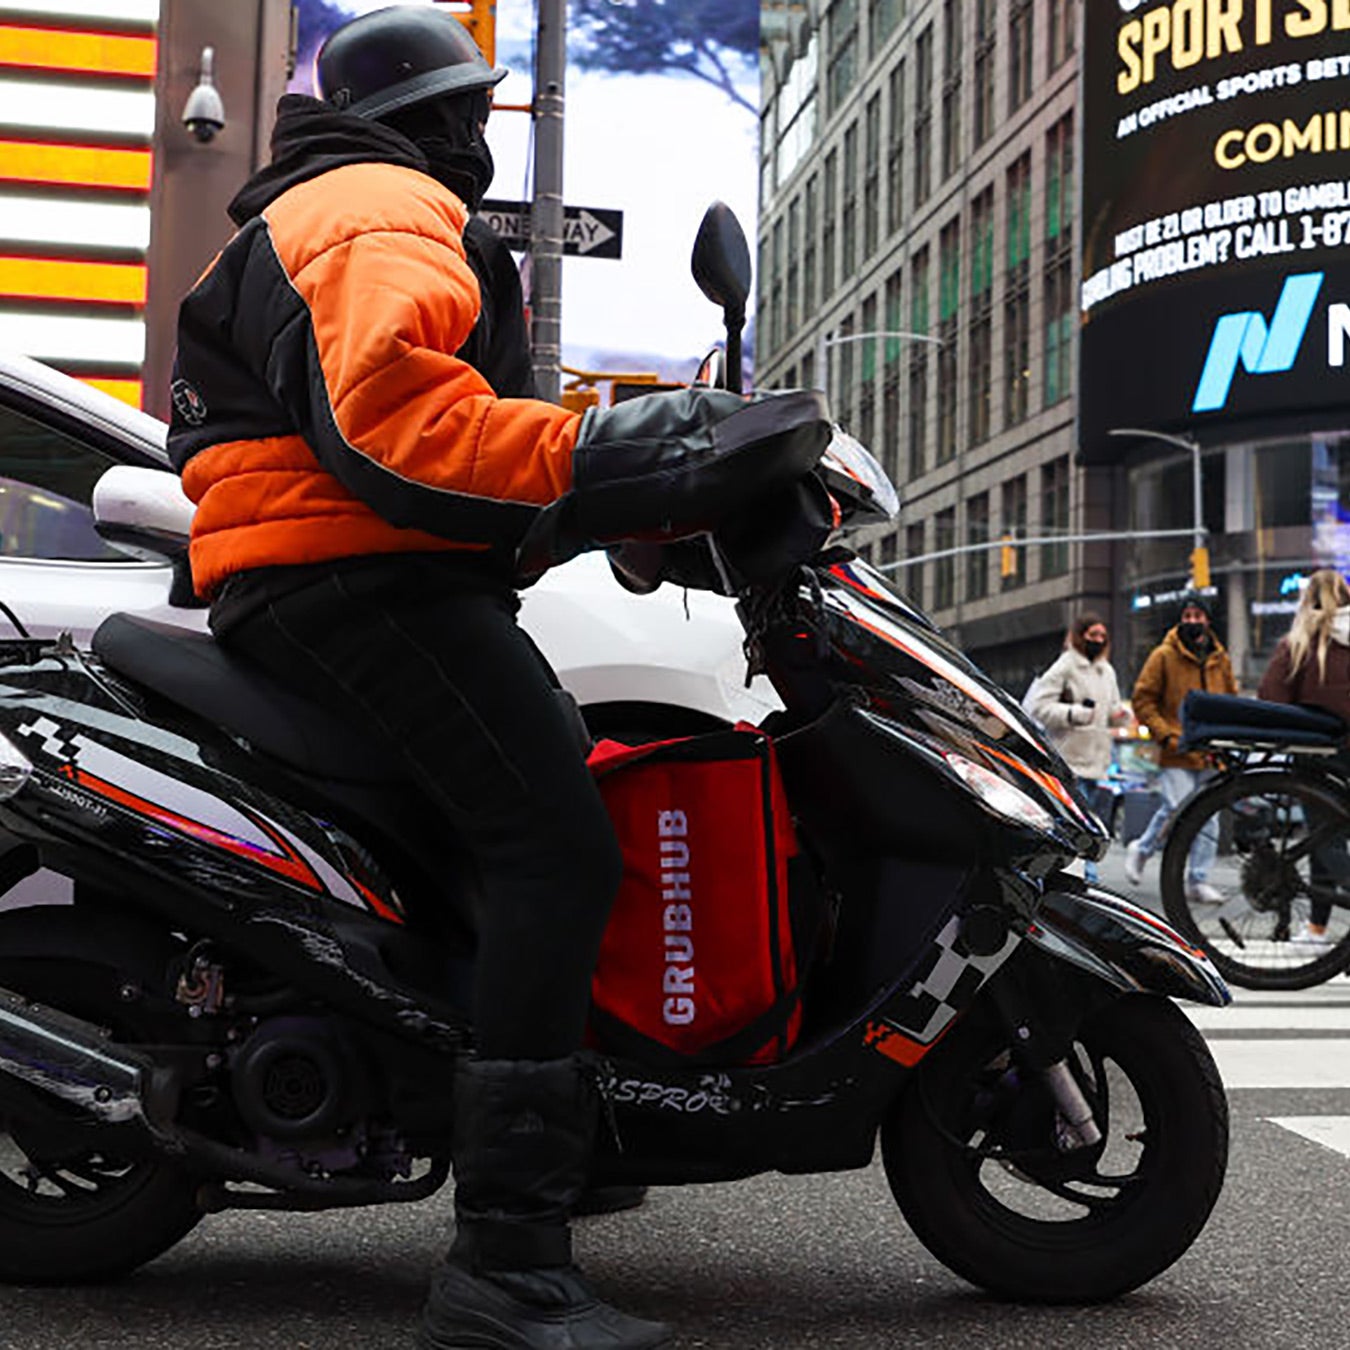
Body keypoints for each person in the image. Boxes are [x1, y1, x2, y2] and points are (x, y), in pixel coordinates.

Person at [161, 7, 793, 1347]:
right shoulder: (380, 207)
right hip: (349, 575)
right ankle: (503, 1261)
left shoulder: (354, 204)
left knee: (521, 811)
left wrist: (641, 495)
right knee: (554, 845)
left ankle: (565, 1122)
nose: (484, 137)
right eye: (473, 113)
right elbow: (393, 428)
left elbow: (456, 450)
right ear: (434, 121)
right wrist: (614, 450)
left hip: (353, 567)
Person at [1257, 569, 1350, 945]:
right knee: (1325, 840)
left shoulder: (1301, 641)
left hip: (1316, 755)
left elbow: (1270, 696)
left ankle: (1317, 928)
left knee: (1324, 839)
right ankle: (1317, 926)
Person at [1124, 593, 1237, 901]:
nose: (1191, 621)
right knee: (1177, 807)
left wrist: (1228, 738)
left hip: (1210, 750)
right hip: (1175, 748)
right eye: (1186, 616)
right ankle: (1142, 848)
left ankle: (1197, 881)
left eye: (1197, 616)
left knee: (1208, 815)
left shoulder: (1220, 659)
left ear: (1207, 620)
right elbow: (1143, 699)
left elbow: (1230, 701)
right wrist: (1165, 735)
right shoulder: (1163, 655)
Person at [1026, 612, 1130, 883]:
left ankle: (1074, 876)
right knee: (1080, 825)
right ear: (1080, 635)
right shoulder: (1066, 666)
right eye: (1092, 635)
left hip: (1098, 761)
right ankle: (1084, 878)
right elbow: (1039, 707)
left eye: (1102, 636)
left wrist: (1121, 715)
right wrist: (1074, 714)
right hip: (1070, 759)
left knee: (1089, 825)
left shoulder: (1107, 671)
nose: (1097, 640)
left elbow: (1113, 707)